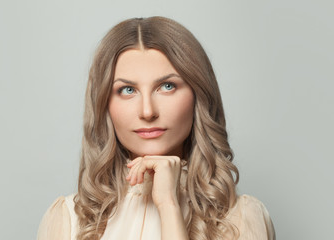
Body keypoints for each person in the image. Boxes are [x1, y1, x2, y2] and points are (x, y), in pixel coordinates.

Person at [37, 16, 275, 240]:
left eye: (167, 86)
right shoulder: (68, 220)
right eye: (127, 90)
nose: (148, 111)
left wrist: (169, 205)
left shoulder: (243, 218)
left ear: (198, 96)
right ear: (104, 106)